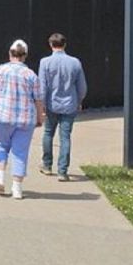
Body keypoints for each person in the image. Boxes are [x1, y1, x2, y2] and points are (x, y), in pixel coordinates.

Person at [0, 39, 45, 199]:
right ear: (25, 56)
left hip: (3, 117)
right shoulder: (31, 75)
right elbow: (38, 100)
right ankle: (17, 188)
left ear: (10, 53)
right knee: (20, 152)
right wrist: (39, 118)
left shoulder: (0, 71)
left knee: (1, 146)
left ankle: (0, 178)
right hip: (24, 120)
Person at [37, 32, 87, 182]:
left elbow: (42, 86)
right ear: (65, 45)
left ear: (51, 45)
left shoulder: (45, 62)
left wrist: (42, 105)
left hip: (51, 104)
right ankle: (62, 171)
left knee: (48, 133)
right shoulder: (75, 62)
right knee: (65, 137)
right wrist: (79, 100)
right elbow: (82, 87)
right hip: (69, 104)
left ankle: (47, 165)